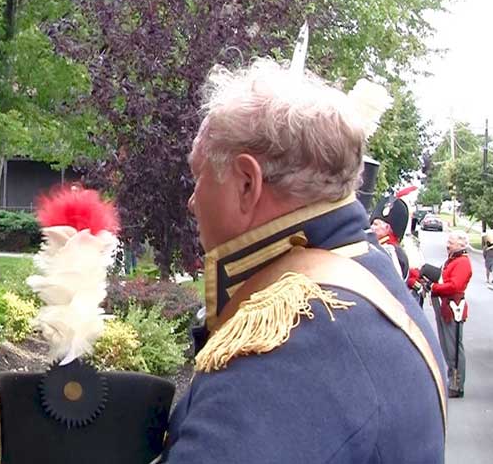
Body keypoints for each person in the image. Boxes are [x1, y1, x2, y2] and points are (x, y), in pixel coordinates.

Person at [162, 59, 446, 463]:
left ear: (247, 184)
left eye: (199, 176)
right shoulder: (366, 268)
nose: (193, 201)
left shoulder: (290, 342)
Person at [429, 230, 472, 398]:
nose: (448, 245)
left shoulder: (462, 262)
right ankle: (452, 380)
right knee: (447, 348)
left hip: (453, 308)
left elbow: (454, 286)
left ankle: (457, 384)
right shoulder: (454, 260)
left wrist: (434, 287)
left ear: (461, 245)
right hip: (446, 306)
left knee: (453, 349)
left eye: (451, 242)